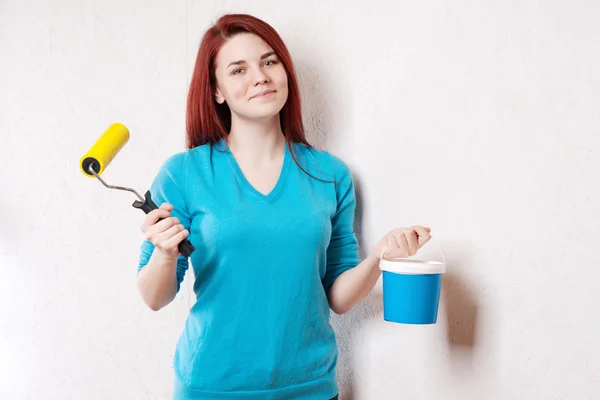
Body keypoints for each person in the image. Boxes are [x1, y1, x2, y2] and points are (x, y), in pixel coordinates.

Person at [136, 13, 432, 400]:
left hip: (309, 387)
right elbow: (154, 297)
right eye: (238, 69)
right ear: (217, 91)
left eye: (269, 61)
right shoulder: (185, 174)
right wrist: (163, 252)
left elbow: (337, 298)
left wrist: (378, 258)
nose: (260, 76)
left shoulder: (330, 175)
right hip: (212, 387)